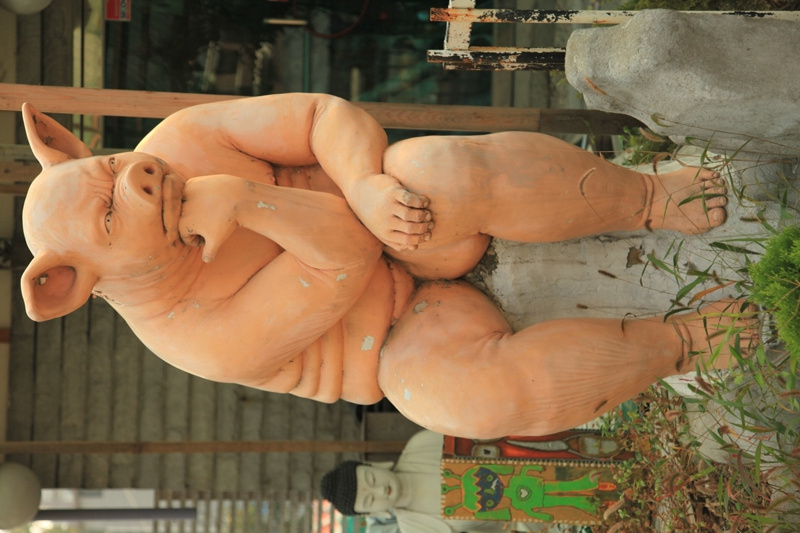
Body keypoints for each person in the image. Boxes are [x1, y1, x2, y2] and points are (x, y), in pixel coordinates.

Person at [19, 93, 758, 438]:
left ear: (78, 148)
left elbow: (319, 115)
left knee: (434, 170)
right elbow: (343, 261)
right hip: (400, 336)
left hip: (402, 221)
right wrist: (246, 200)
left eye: (110, 166)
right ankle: (682, 344)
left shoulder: (180, 140)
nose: (136, 178)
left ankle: (651, 198)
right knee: (469, 401)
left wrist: (365, 182)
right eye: (111, 214)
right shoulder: (187, 334)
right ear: (72, 283)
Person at [322, 430, 537, 532]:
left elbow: (488, 434)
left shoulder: (421, 445)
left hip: (532, 460)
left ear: (376, 465)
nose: (379, 490)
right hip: (533, 523)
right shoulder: (416, 529)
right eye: (370, 500)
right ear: (372, 514)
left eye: (371, 478)